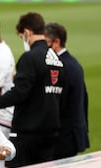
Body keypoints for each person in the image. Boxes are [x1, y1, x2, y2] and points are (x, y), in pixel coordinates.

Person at [0, 12, 65, 168]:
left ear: (27, 32)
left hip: (27, 130)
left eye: (22, 37)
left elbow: (19, 93)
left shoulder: (29, 58)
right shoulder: (57, 60)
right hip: (51, 129)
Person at [44, 22, 90, 159]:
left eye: (45, 42)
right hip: (73, 133)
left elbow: (57, 102)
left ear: (56, 42)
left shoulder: (60, 66)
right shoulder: (73, 63)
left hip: (63, 137)